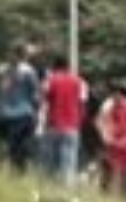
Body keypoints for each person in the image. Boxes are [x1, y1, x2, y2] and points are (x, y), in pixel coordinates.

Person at [38, 56, 90, 184]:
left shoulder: (50, 80)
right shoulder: (80, 82)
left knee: (49, 163)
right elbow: (83, 105)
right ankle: (66, 189)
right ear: (68, 67)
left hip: (53, 125)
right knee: (69, 163)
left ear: (55, 67)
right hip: (72, 126)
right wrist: (78, 122)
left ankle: (49, 187)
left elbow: (42, 100)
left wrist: (41, 123)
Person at [0, 47, 42, 174]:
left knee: (11, 145)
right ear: (25, 55)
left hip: (7, 114)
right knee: (23, 146)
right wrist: (37, 111)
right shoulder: (29, 71)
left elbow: (1, 90)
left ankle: (11, 169)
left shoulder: (5, 70)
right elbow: (35, 94)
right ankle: (20, 171)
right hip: (25, 113)